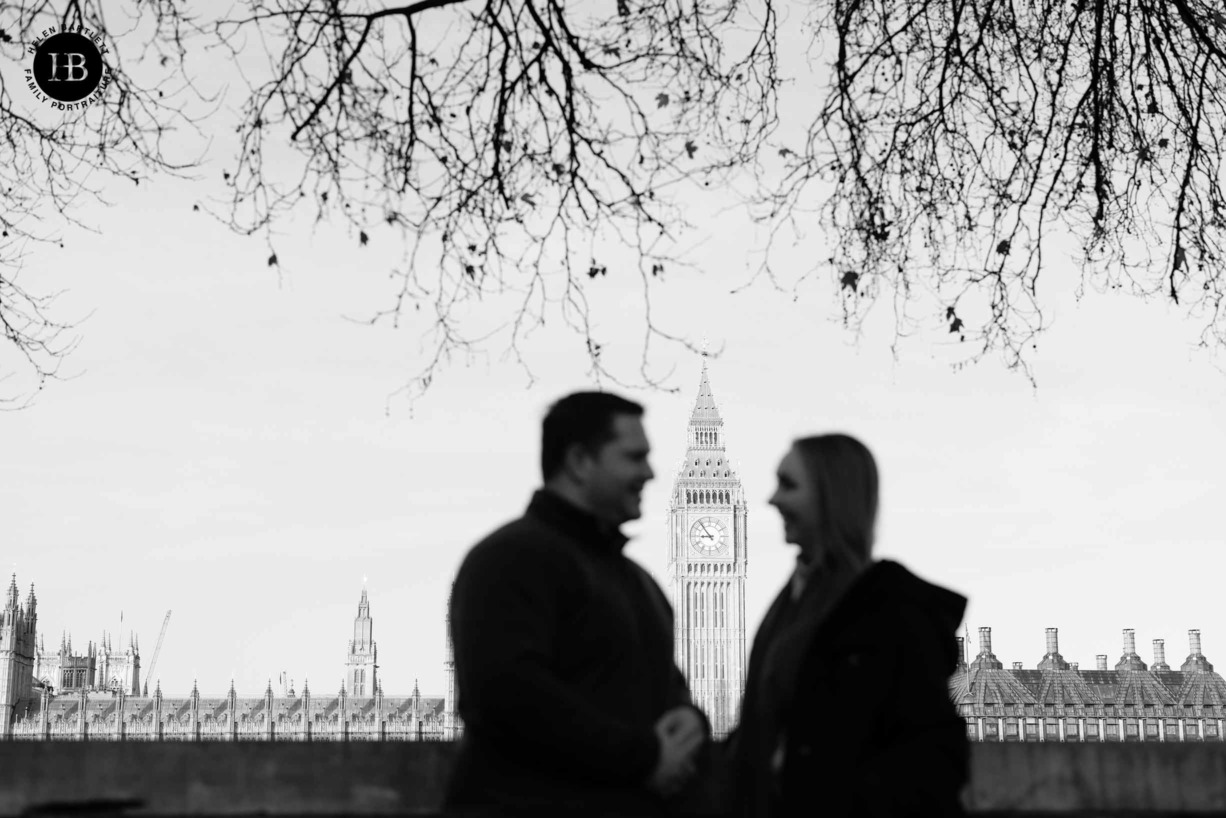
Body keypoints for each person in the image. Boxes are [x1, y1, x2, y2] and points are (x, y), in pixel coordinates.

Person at [445, 391, 710, 816]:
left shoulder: (637, 581)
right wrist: (645, 757)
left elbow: (657, 682)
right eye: (634, 457)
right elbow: (509, 697)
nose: (650, 473)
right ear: (580, 462)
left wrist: (691, 721)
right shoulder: (510, 558)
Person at [725, 434, 968, 817]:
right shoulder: (789, 602)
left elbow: (931, 759)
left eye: (788, 485)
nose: (772, 499)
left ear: (831, 496)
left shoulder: (892, 610)